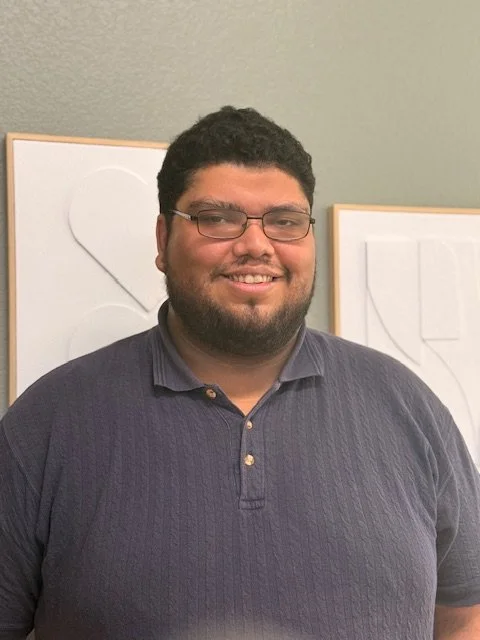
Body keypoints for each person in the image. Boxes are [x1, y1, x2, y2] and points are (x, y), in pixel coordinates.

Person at [1, 106, 479, 640]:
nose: (256, 245)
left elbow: (465, 614)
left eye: (285, 221)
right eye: (217, 218)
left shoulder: (408, 407)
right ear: (162, 240)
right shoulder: (47, 424)